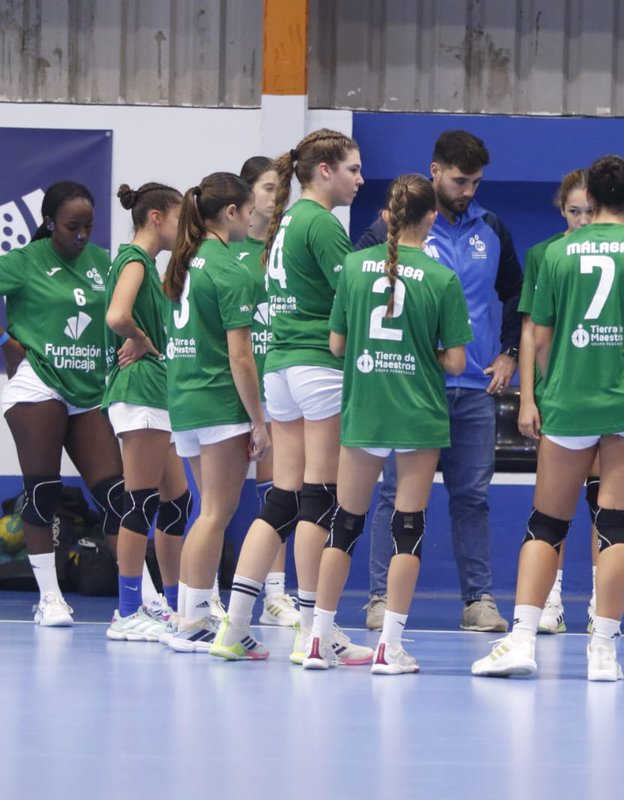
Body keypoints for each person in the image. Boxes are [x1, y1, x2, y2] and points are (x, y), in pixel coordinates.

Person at [471, 154, 624, 681]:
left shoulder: (553, 253)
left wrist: (532, 397)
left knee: (548, 522)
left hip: (570, 399)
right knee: (616, 523)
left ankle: (521, 640)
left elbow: (536, 336)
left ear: (591, 195)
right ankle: (604, 651)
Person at [293, 174, 473, 672]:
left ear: (388, 216)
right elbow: (456, 362)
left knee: (344, 524)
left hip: (366, 408)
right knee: (407, 529)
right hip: (416, 413)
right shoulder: (440, 277)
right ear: (431, 217)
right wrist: (421, 351)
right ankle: (389, 647)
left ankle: (316, 639)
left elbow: (336, 345)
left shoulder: (353, 266)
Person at [207, 129, 371, 665]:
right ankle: (311, 630)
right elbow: (354, 302)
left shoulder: (282, 223)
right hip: (317, 367)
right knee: (319, 497)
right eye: (352, 169)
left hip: (278, 366)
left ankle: (233, 628)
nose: (360, 179)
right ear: (324, 170)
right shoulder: (321, 224)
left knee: (282, 497)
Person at [357, 131, 522, 633]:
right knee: (395, 494)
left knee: (472, 496)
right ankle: (381, 599)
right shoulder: (390, 229)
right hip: (410, 390)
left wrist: (509, 353)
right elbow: (355, 281)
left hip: (473, 390)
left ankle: (478, 601)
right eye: (458, 180)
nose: (468, 190)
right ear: (434, 172)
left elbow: (517, 292)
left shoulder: (492, 228)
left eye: (475, 181)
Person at [0, 181, 126, 626]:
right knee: (45, 490)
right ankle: (49, 598)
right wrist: (4, 341)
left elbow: (122, 312)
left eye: (89, 226)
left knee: (117, 496)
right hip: (38, 382)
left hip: (88, 387)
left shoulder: (103, 263)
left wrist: (132, 343)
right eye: (73, 226)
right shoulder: (24, 261)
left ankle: (139, 601)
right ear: (51, 222)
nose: (82, 235)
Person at [161, 173, 271, 653]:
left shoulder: (185, 262)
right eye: (248, 211)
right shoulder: (230, 269)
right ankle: (195, 619)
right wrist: (260, 420)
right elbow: (241, 357)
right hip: (219, 401)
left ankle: (189, 612)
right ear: (230, 213)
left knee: (206, 513)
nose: (251, 220)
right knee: (216, 513)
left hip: (184, 399)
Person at [103, 181, 193, 641]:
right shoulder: (136, 260)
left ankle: (175, 608)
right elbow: (117, 315)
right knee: (139, 502)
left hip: (156, 393)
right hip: (139, 391)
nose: (183, 229)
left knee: (178, 502)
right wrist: (138, 339)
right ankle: (127, 611)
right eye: (179, 219)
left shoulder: (149, 265)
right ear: (156, 218)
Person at [513, 168, 592, 636]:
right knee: (553, 504)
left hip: (604, 396)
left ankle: (604, 601)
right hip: (558, 395)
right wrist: (529, 397)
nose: (581, 219)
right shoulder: (544, 254)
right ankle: (552, 598)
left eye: (589, 210)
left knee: (607, 505)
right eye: (573, 210)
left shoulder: (618, 251)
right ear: (561, 209)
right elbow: (530, 330)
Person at [227, 155, 300, 628]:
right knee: (219, 501)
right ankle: (202, 599)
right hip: (233, 387)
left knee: (280, 491)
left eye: (283, 190)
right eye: (270, 188)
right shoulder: (226, 252)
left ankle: (276, 593)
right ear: (247, 193)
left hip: (280, 384)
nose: (278, 198)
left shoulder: (289, 250)